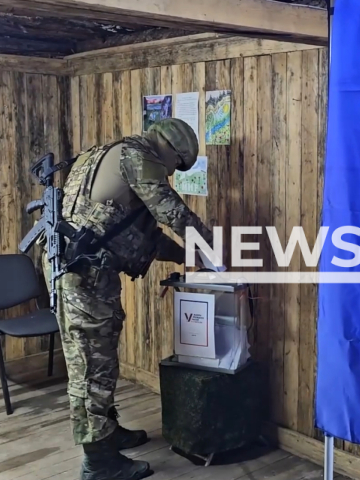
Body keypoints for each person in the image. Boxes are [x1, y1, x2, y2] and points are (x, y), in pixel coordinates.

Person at [40, 118, 213, 480]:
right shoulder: (139, 159)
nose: (170, 175)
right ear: (172, 154)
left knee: (98, 361)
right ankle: (100, 463)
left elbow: (142, 236)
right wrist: (216, 249)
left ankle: (107, 432)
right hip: (84, 277)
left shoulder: (105, 153)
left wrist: (186, 256)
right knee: (90, 367)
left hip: (79, 271)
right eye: (175, 168)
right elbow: (173, 214)